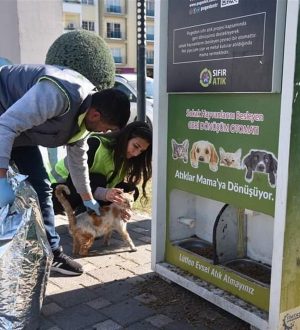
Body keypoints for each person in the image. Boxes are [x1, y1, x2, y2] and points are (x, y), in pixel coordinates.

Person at [0, 64, 130, 276]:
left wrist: (88, 198)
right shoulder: (58, 95)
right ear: (96, 114)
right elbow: (5, 126)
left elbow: (78, 160)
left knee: (41, 189)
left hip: (20, 133)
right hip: (5, 122)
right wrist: (1, 178)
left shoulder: (85, 119)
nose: (105, 133)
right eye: (107, 128)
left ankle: (53, 255)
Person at [50, 121, 152, 217]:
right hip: (58, 190)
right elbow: (75, 181)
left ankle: (98, 217)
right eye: (135, 146)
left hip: (86, 191)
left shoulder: (125, 158)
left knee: (130, 191)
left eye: (141, 151)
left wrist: (121, 206)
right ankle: (84, 220)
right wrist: (105, 193)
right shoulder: (95, 144)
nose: (136, 153)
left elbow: (112, 185)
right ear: (126, 138)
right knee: (99, 179)